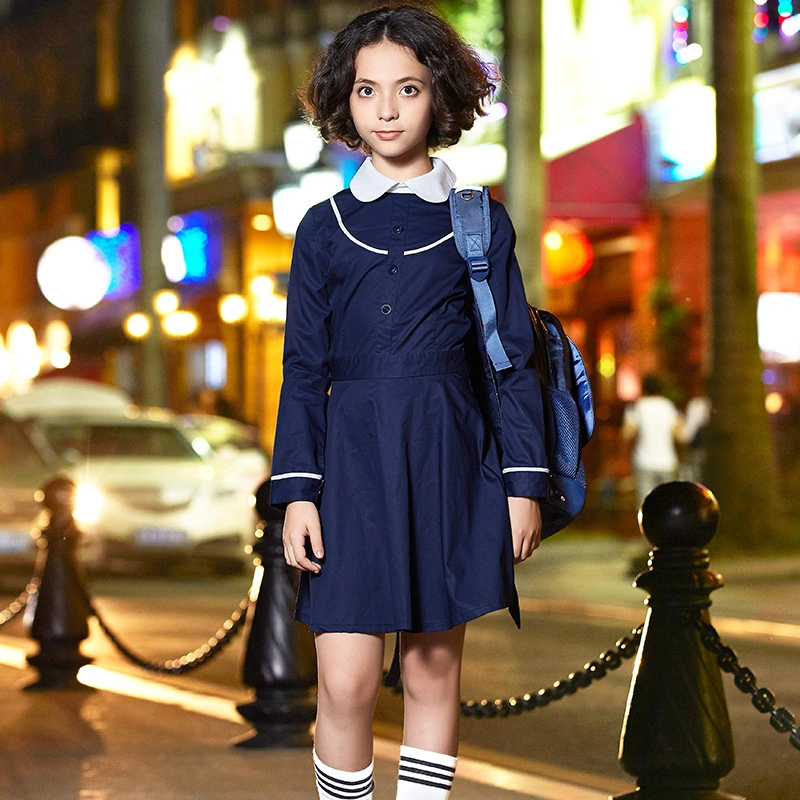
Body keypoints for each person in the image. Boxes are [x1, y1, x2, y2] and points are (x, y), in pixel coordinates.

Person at [269, 7, 547, 799]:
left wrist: (522, 486)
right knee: (346, 684)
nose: (386, 110)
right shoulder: (322, 230)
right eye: (366, 90)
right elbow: (301, 370)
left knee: (431, 676)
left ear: (441, 98)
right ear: (342, 101)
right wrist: (297, 493)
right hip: (349, 468)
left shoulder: (480, 221)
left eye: (408, 88)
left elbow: (510, 363)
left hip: (448, 464)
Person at [622, 373, 684, 505]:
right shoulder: (668, 406)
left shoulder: (638, 407)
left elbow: (627, 434)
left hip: (644, 461)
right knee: (668, 505)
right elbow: (680, 434)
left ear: (643, 388)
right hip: (668, 462)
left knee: (646, 506)